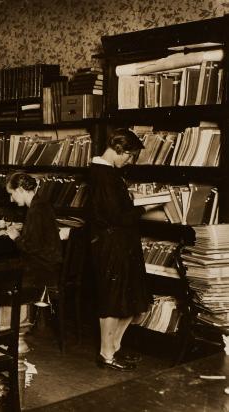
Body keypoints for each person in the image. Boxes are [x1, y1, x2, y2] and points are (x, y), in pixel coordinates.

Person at [90, 128, 155, 372]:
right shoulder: (104, 174)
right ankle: (106, 353)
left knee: (128, 300)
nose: (129, 161)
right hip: (112, 245)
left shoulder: (106, 174)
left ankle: (113, 348)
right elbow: (116, 215)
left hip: (120, 244)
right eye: (128, 156)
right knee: (113, 300)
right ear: (118, 150)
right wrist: (144, 207)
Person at [5, 172, 63, 293]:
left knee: (2, 274)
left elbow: (31, 246)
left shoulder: (36, 210)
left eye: (11, 194)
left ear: (20, 190)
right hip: (50, 265)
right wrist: (26, 227)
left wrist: (16, 237)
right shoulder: (41, 204)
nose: (11, 199)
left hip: (42, 270)